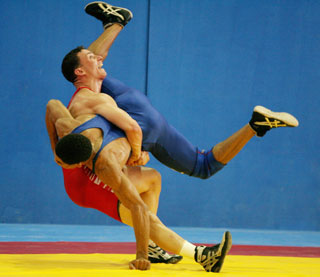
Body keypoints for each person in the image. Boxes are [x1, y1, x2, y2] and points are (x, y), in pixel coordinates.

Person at [61, 1, 299, 180]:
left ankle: (116, 23)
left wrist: (135, 153)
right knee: (204, 165)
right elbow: (92, 64)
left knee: (129, 178)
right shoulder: (102, 87)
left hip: (140, 126)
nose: (98, 60)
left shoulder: (88, 95)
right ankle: (255, 125)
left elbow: (131, 129)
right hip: (141, 108)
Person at [45, 98, 232, 272]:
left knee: (152, 178)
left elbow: (52, 104)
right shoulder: (76, 134)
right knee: (141, 215)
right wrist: (140, 256)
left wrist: (137, 153)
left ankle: (151, 246)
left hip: (101, 164)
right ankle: (202, 255)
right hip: (83, 187)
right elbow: (52, 105)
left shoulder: (101, 154)